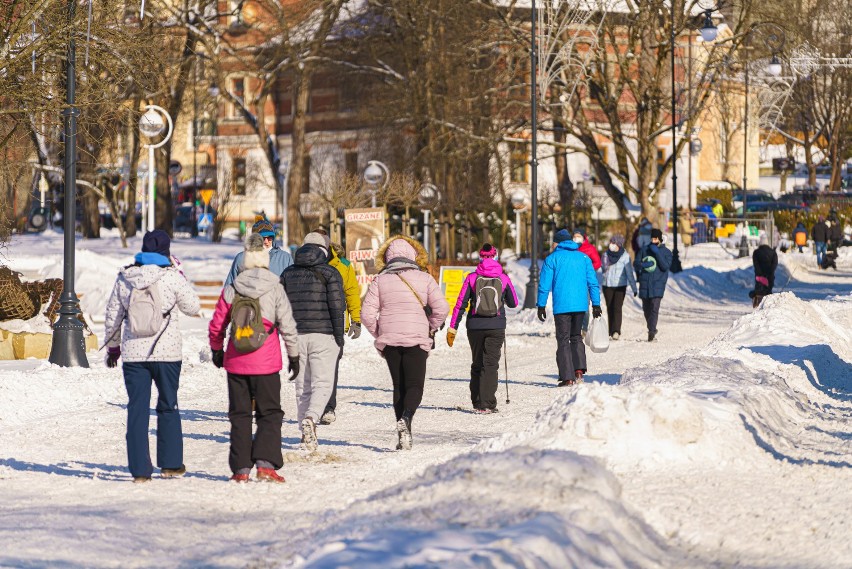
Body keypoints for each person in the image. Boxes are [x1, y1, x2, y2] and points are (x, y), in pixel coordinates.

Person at [103, 230, 201, 483]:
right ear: (166, 252)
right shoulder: (171, 277)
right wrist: (181, 276)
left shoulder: (125, 277)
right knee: (168, 406)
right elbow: (193, 307)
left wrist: (114, 348)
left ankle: (140, 471)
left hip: (134, 356)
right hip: (167, 354)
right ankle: (170, 464)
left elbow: (113, 316)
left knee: (137, 410)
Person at [208, 234, 301, 483]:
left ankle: (240, 469)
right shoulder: (275, 287)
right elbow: (288, 326)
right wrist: (294, 356)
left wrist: (217, 349)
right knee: (269, 413)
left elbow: (217, 324)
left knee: (239, 415)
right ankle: (266, 465)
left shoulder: (232, 289)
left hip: (236, 362)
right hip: (266, 363)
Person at [361, 235, 449, 450]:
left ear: (388, 258)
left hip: (390, 339)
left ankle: (403, 434)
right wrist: (430, 326)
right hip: (416, 338)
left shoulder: (380, 280)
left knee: (398, 386)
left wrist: (380, 332)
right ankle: (407, 418)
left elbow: (366, 314)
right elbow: (442, 308)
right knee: (415, 384)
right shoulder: (425, 278)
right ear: (412, 256)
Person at [281, 232, 345, 452]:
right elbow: (337, 308)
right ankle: (311, 417)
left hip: (297, 336)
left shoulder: (288, 273)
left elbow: (281, 307)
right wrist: (339, 339)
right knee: (322, 384)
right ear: (324, 250)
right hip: (324, 334)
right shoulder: (331, 273)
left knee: (302, 387)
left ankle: (304, 433)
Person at [447, 243, 518, 413]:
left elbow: (460, 304)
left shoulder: (471, 278)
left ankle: (478, 402)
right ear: (496, 256)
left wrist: (452, 328)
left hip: (475, 326)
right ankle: (487, 404)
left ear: (480, 257)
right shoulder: (503, 278)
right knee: (491, 364)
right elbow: (514, 302)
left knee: (477, 363)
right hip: (496, 326)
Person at [308, 230, 362, 426]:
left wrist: (356, 319)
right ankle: (314, 406)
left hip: (335, 323)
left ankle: (328, 407)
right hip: (311, 322)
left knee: (331, 366)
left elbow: (352, 292)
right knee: (312, 367)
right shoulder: (304, 261)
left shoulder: (343, 265)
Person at [536, 229, 601, 386]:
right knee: (576, 336)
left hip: (562, 306)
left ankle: (567, 377)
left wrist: (541, 305)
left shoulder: (552, 259)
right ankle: (578, 370)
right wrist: (596, 304)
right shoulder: (583, 258)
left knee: (563, 339)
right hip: (580, 305)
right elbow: (593, 282)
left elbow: (544, 285)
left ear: (557, 242)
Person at [224, 215, 293, 286]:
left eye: (270, 237)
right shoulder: (241, 258)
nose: (266, 241)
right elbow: (229, 287)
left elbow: (292, 286)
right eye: (263, 238)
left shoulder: (285, 258)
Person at [634, 228, 672, 342]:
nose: (653, 240)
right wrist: (642, 265)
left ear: (660, 239)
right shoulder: (644, 250)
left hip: (658, 284)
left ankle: (651, 331)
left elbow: (665, 266)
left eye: (655, 238)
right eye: (652, 238)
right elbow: (636, 263)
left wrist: (657, 253)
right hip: (645, 283)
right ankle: (651, 328)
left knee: (654, 308)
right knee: (646, 309)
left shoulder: (666, 252)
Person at [601, 234, 637, 340]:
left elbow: (629, 273)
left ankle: (616, 331)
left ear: (619, 244)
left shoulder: (625, 256)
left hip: (620, 286)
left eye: (613, 243)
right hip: (607, 285)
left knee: (617, 308)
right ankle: (610, 330)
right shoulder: (606, 255)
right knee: (610, 308)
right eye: (611, 242)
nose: (611, 245)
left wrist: (634, 288)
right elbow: (603, 269)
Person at [749, 236, 778, 308]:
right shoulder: (773, 253)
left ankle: (757, 304)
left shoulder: (756, 252)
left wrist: (760, 273)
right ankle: (768, 306)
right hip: (770, 276)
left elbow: (756, 264)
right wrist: (770, 272)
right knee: (768, 291)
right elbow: (774, 264)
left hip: (759, 277)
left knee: (759, 291)